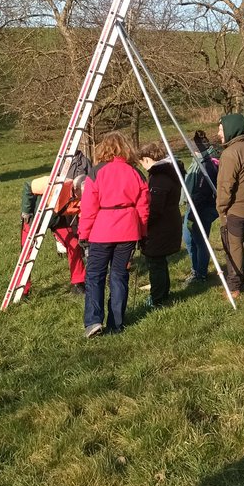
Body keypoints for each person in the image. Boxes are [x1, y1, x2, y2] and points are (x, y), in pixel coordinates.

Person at [77, 131, 149, 337]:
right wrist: (143, 233)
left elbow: (88, 207)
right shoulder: (135, 173)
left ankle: (93, 321)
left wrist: (83, 233)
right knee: (119, 276)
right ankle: (116, 323)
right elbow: (144, 208)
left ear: (103, 149)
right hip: (128, 231)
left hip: (102, 231)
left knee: (95, 276)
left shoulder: (97, 172)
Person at [19, 174, 87, 297]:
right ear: (75, 188)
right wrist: (26, 211)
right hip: (36, 217)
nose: (83, 198)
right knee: (27, 252)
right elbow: (29, 186)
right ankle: (23, 290)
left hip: (57, 219)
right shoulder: (57, 183)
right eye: (81, 195)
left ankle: (78, 282)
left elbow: (84, 217)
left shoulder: (84, 198)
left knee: (74, 244)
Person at [215, 112, 244, 299]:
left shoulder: (230, 154)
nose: (219, 133)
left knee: (232, 246)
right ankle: (239, 277)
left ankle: (234, 287)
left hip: (236, 208)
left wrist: (221, 208)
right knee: (237, 243)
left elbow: (226, 186)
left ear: (231, 129)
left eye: (221, 129)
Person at [138, 141, 184, 308]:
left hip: (160, 227)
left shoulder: (159, 178)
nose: (142, 166)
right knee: (160, 262)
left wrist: (144, 224)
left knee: (155, 263)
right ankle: (163, 293)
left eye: (142, 162)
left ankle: (157, 299)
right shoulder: (169, 172)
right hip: (169, 222)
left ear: (147, 159)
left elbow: (155, 208)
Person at [182, 129, 219, 284]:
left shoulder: (207, 164)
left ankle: (201, 273)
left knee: (200, 240)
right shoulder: (196, 161)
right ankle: (195, 269)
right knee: (188, 238)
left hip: (202, 208)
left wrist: (193, 212)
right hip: (192, 205)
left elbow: (203, 191)